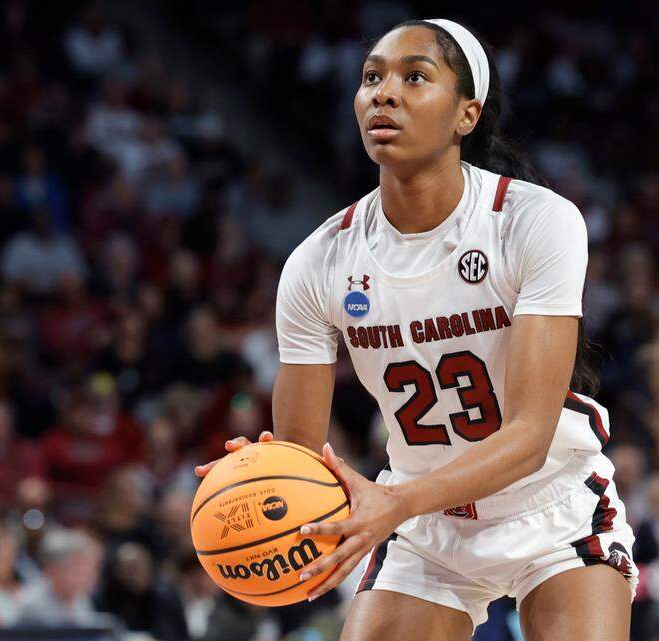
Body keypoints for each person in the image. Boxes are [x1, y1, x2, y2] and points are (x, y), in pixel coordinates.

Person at [197, 19, 635, 640]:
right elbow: (301, 455)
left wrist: (396, 503)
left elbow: (531, 437)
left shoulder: (535, 221)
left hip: (549, 504)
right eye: (371, 77)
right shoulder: (317, 262)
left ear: (467, 115)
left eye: (415, 77)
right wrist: (266, 476)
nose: (384, 92)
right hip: (427, 526)